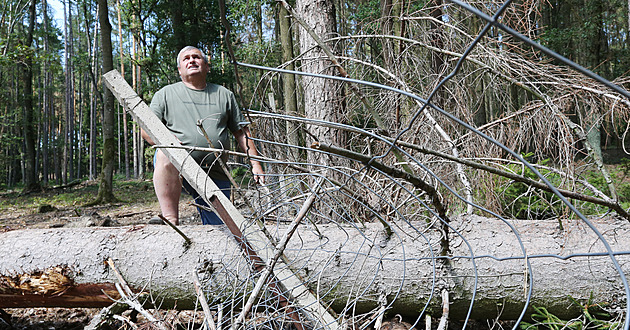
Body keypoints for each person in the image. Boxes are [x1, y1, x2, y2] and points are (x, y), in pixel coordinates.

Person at [142, 46, 264, 225]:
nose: (191, 60)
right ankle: (170, 219)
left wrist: (255, 164)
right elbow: (146, 130)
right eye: (186, 59)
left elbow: (241, 132)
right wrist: (169, 142)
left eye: (196, 57)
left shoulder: (223, 94)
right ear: (179, 70)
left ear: (207, 66)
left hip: (215, 170)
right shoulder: (165, 94)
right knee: (165, 152)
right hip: (177, 167)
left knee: (223, 228)